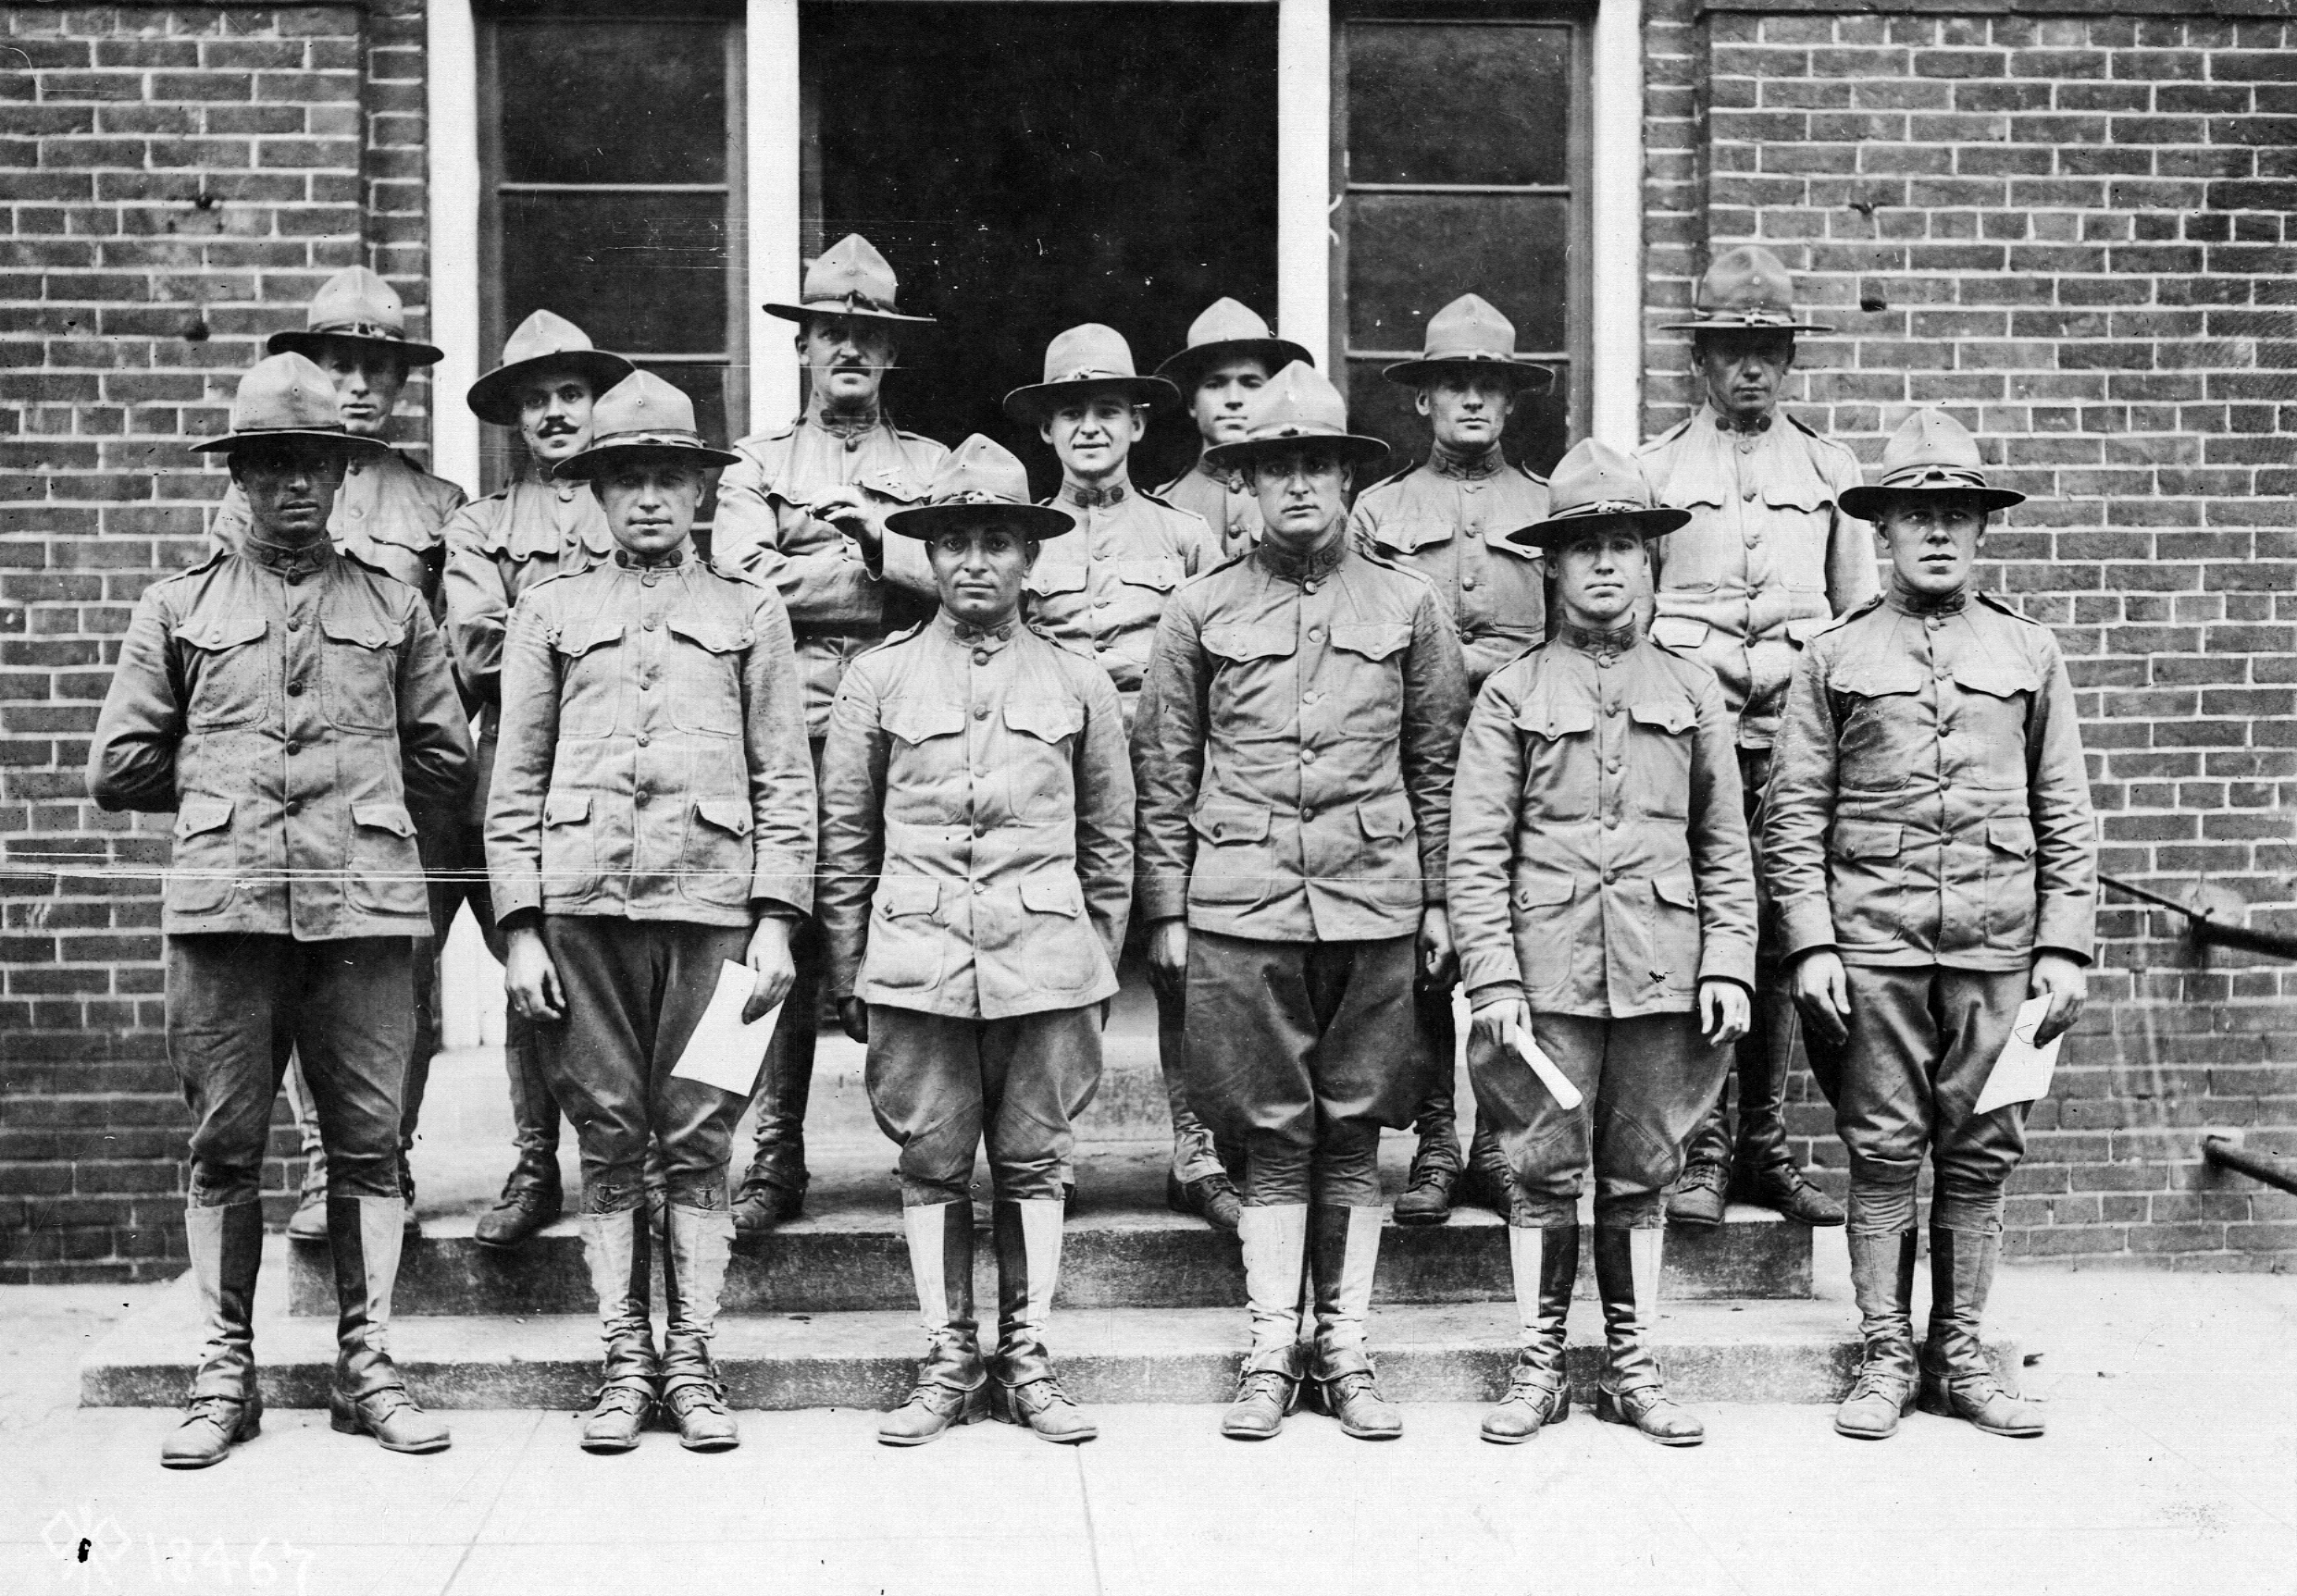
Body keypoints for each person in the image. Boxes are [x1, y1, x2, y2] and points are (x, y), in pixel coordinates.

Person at [90, 353, 474, 1467]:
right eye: (272, 468)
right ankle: (225, 1372)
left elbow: (444, 762)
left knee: (365, 1147)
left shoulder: (396, 609)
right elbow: (119, 767)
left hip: (362, 913)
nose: (295, 488)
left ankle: (368, 1366)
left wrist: (351, 795)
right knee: (226, 1145)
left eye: (315, 466)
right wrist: (227, 784)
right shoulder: (178, 605)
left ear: (344, 476)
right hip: (226, 909)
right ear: (240, 479)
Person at [1134, 364, 1468, 1441]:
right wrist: (1169, 911)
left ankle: (1349, 1344)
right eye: (1275, 469)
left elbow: (1438, 762)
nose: (1298, 488)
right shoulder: (1198, 609)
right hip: (1242, 902)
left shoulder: (1409, 604)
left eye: (1316, 466)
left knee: (1357, 1128)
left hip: (1374, 900)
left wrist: (1441, 905)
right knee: (1270, 1132)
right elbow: (1164, 769)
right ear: (1243, 485)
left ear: (1347, 479)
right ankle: (1272, 1342)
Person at [487, 373, 815, 1454]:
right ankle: (626, 1357)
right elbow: (516, 779)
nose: (647, 500)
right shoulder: (549, 611)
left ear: (700, 490)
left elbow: (784, 776)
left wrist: (777, 918)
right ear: (594, 492)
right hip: (581, 916)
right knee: (610, 1134)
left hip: (721, 918)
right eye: (625, 480)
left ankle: (694, 1359)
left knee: (703, 1133)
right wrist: (520, 926)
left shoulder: (750, 610)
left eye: (667, 479)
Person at [1764, 409, 2094, 1442]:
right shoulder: (1834, 657)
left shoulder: (2029, 651)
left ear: (1982, 530)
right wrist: (1812, 942)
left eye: (1955, 516)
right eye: (1916, 517)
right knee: (1882, 1149)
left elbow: (2066, 812)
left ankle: (1959, 1353)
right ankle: (1883, 1355)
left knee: (1983, 1151)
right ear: (1882, 531)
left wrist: (2063, 949)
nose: (1938, 535)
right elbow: (1792, 816)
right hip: (1874, 949)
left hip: (2001, 954)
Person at [816, 436, 1133, 1447]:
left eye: (998, 541)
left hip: (1047, 966)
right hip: (916, 960)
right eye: (954, 542)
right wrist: (850, 970)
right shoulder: (876, 678)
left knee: (1036, 1162)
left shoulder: (1080, 682)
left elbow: (1110, 843)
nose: (976, 563)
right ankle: (949, 1358)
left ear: (1031, 557)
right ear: (928, 557)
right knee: (931, 1161)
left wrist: (1093, 965)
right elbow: (845, 843)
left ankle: (1028, 1359)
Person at [1447, 439, 1757, 1448]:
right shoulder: (1509, 693)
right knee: (1539, 1169)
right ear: (1551, 566)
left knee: (1644, 1170)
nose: (1605, 565)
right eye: (1583, 548)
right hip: (1545, 980)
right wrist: (1491, 974)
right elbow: (1475, 849)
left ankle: (1632, 1366)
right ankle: (1537, 1365)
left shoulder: (1695, 687)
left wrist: (1728, 961)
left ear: (1651, 560)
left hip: (1667, 971)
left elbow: (1724, 841)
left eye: (1623, 544)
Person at [210, 266, 469, 1243]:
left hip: (397, 778)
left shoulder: (437, 503)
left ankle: (384, 1154)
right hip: (293, 781)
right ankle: (326, 1169)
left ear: (403, 384)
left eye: (379, 368)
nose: (359, 385)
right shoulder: (252, 502)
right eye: (340, 363)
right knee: (301, 961)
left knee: (398, 974)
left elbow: (438, 647)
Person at [711, 233, 949, 1235]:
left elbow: (958, 579)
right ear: (801, 348)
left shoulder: (935, 465)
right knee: (760, 934)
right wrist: (884, 558)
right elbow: (741, 584)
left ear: (891, 354)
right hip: (786, 720)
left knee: (919, 920)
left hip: (907, 721)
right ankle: (755, 1153)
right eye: (827, 334)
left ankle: (931, 1148)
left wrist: (867, 541)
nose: (846, 350)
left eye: (866, 336)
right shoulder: (751, 463)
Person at [1640, 244, 1875, 1230]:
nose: (1750, 368)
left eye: (1768, 350)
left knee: (1783, 933)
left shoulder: (1830, 470)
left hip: (1794, 738)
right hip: (1694, 736)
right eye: (1731, 350)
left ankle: (1764, 1148)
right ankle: (1700, 1147)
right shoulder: (1655, 470)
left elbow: (1858, 620)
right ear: (1698, 360)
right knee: (1701, 925)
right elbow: (1637, 621)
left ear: (1790, 359)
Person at [1003, 323, 1236, 1230]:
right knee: (1062, 962)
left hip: (1166, 781)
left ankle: (1197, 1151)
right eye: (1072, 414)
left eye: (1108, 411)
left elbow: (1223, 665)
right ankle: (1053, 1156)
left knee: (1183, 964)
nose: (1090, 428)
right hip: (1054, 787)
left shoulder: (1184, 539)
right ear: (1047, 432)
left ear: (1140, 425)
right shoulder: (1025, 542)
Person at [1348, 293, 1555, 1226]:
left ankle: (1497, 1145)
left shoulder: (1548, 508)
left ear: (1511, 404)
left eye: (1488, 386)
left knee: (1510, 934)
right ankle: (1434, 1137)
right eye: (1449, 385)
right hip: (1414, 748)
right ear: (1421, 402)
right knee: (1423, 939)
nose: (1469, 400)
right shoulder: (1377, 508)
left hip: (1521, 752)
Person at [437, 310, 636, 1248]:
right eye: (536, 400)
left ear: (597, 404)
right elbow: (471, 644)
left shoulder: (639, 500)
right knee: (531, 968)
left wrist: (541, 621)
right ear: (513, 417)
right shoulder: (479, 525)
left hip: (619, 772)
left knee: (628, 967)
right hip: (516, 774)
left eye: (571, 395)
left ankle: (634, 1157)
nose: (555, 414)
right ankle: (531, 1163)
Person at [1151, 298, 1310, 558]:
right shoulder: (1163, 507)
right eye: (1215, 384)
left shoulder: (1303, 500)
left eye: (1250, 383)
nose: (1233, 399)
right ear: (1192, 403)